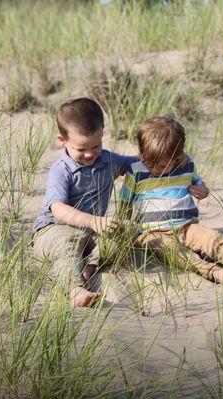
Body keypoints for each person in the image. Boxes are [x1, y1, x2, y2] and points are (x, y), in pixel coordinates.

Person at [119, 116, 223, 282]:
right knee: (176, 253)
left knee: (213, 240)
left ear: (178, 155)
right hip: (152, 234)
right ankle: (211, 270)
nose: (155, 168)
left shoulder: (187, 167)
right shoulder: (136, 171)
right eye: (149, 161)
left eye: (161, 165)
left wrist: (203, 191)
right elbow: (125, 202)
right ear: (142, 153)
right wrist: (124, 225)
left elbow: (201, 186)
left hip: (187, 227)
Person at [33, 97, 139, 307]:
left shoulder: (108, 160)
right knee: (66, 247)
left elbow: (134, 164)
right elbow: (58, 208)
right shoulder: (61, 170)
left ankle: (89, 268)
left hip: (91, 232)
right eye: (81, 149)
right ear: (63, 140)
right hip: (54, 230)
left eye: (96, 145)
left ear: (102, 132)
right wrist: (92, 221)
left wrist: (163, 156)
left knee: (125, 234)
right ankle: (75, 289)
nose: (90, 154)